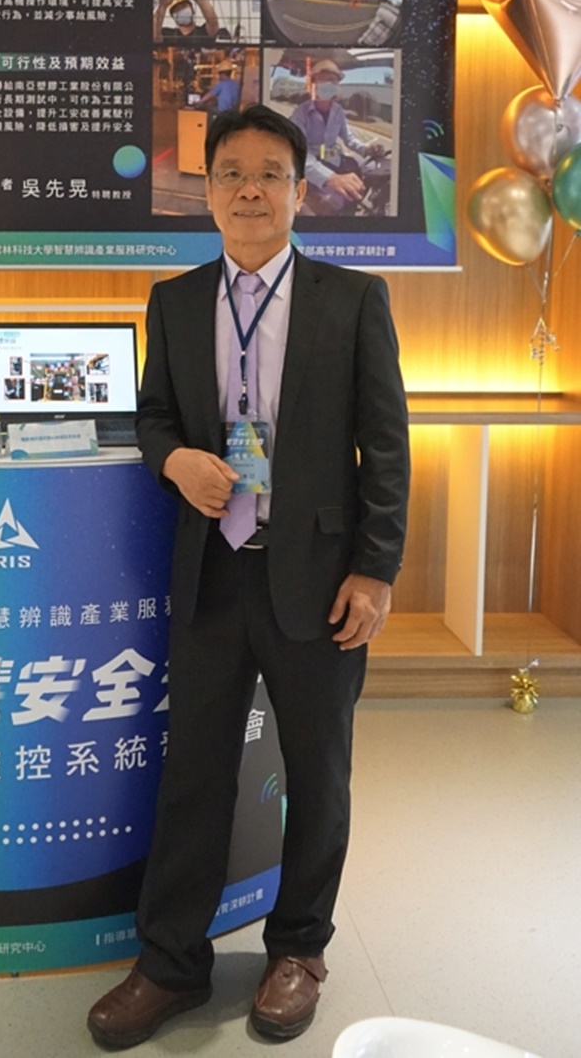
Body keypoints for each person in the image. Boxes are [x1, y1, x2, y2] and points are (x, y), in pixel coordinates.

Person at [87, 104, 409, 1048]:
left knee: (318, 773)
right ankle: (170, 962)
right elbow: (153, 415)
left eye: (271, 174)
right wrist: (175, 460)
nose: (250, 190)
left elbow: (386, 448)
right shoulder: (176, 300)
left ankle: (299, 950)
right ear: (208, 191)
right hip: (212, 574)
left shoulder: (353, 301)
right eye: (232, 173)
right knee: (194, 773)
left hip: (317, 578)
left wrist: (375, 572)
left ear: (301, 193)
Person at [290, 57, 385, 213]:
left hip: (335, 158)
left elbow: (349, 139)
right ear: (313, 84)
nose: (328, 85)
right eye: (323, 80)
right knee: (331, 202)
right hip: (312, 167)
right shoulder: (300, 113)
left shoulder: (338, 111)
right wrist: (330, 178)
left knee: (373, 170)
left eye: (333, 81)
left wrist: (367, 150)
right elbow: (298, 153)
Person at [153, 0, 220, 46]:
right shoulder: (168, 34)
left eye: (184, 6)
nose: (181, 10)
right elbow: (154, 36)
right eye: (177, 9)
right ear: (173, 16)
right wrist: (162, 6)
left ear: (192, 10)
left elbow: (213, 22)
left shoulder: (203, 32)